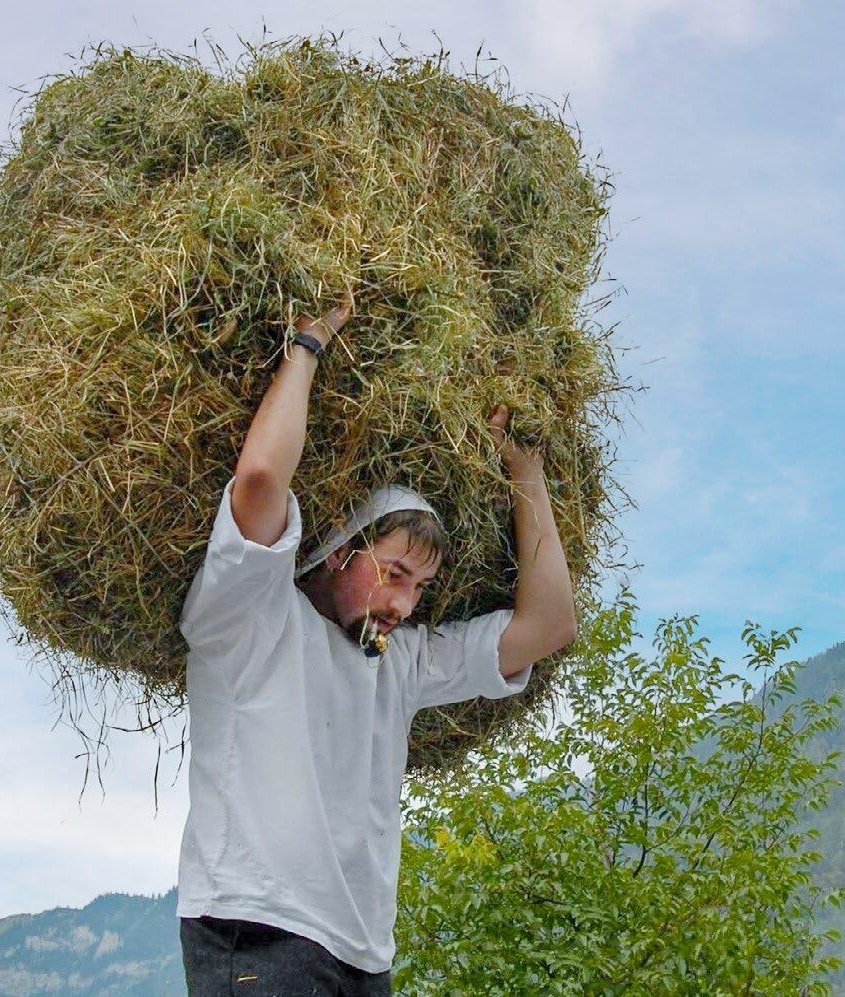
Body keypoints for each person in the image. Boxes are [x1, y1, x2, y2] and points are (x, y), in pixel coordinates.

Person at [175, 290, 578, 995]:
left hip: (364, 952)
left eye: (419, 589)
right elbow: (263, 477)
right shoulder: (251, 613)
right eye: (391, 574)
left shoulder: (400, 662)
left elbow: (548, 626)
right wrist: (307, 346)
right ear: (337, 553)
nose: (402, 603)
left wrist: (526, 472)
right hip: (257, 927)